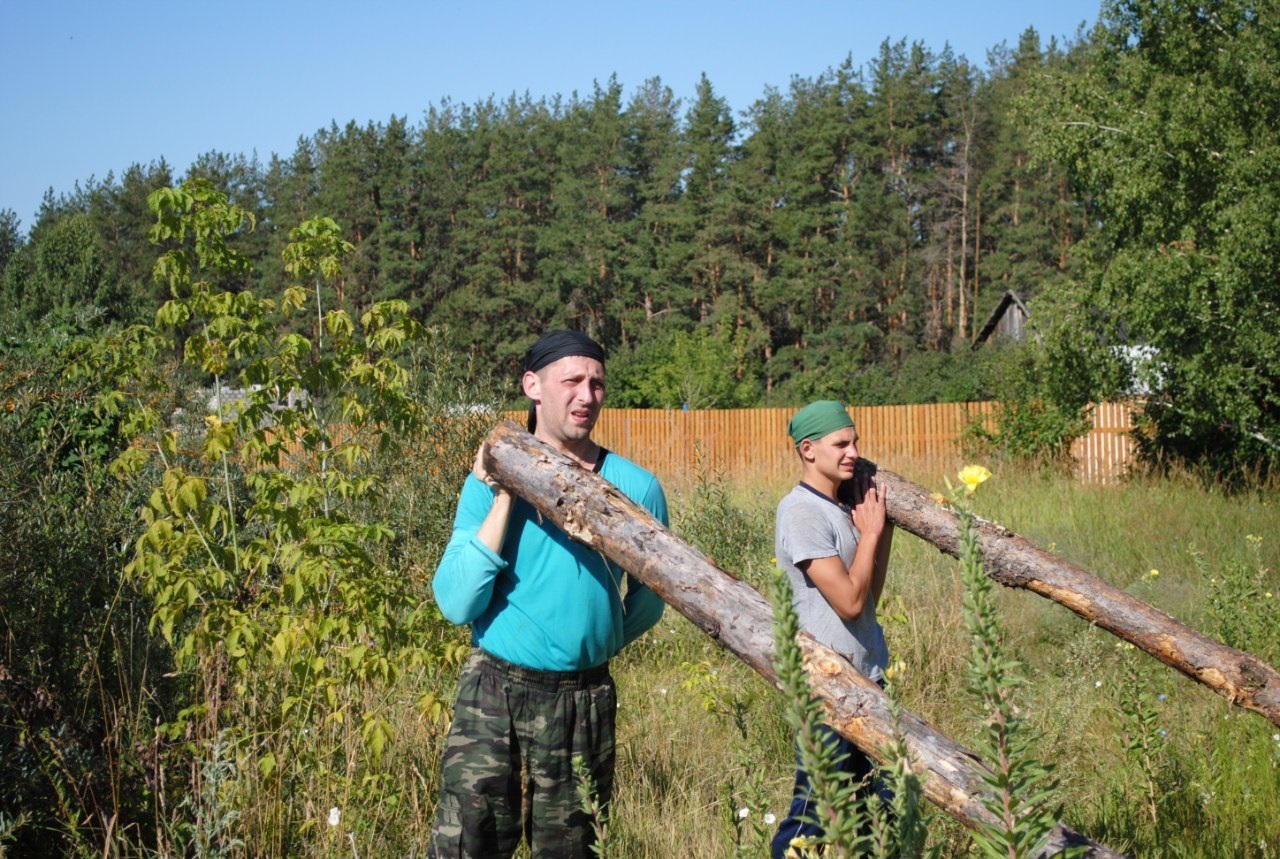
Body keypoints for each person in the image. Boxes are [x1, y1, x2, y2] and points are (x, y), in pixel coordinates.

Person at [429, 330, 668, 859]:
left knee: (573, 850)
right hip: (494, 696)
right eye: (573, 381)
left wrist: (592, 641)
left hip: (584, 702)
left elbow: (651, 599)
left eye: (597, 383)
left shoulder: (636, 487)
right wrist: (505, 494)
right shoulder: (487, 478)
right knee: (468, 846)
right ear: (532, 386)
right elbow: (456, 601)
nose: (587, 396)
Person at [770, 400, 894, 858]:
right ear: (808, 449)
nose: (853, 452)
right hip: (826, 687)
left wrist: (880, 532)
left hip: (868, 679)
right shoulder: (801, 511)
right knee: (814, 815)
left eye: (855, 441)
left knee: (879, 811)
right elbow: (849, 602)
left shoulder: (841, 507)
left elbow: (869, 596)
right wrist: (871, 534)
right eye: (841, 444)